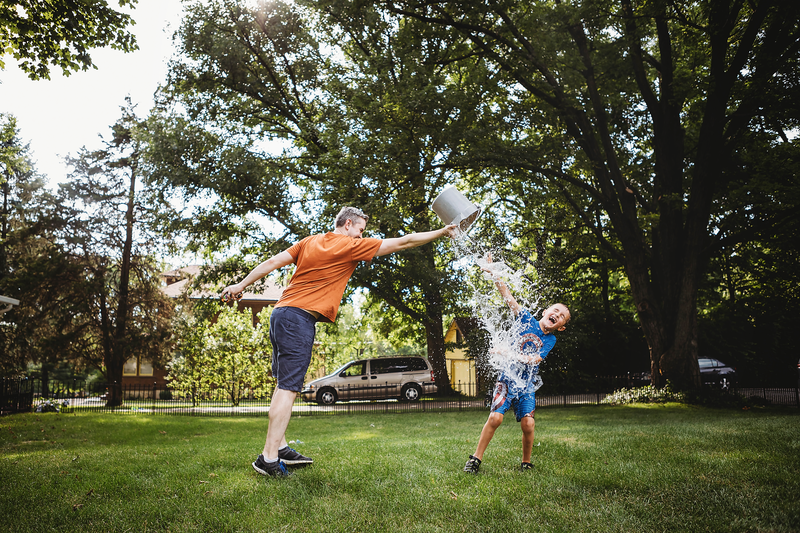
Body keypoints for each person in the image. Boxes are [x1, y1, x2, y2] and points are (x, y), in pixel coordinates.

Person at [222, 206, 457, 478]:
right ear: (347, 224)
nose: (361, 236)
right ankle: (268, 457)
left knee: (282, 386)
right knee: (288, 389)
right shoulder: (349, 245)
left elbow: (271, 263)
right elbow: (403, 242)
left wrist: (241, 285)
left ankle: (281, 445)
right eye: (360, 230)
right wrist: (442, 231)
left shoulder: (309, 241)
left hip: (281, 313)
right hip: (298, 319)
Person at [464, 254, 570, 474]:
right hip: (507, 379)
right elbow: (507, 295)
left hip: (526, 385)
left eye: (561, 317)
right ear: (545, 312)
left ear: (560, 327)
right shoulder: (525, 319)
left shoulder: (550, 339)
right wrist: (494, 272)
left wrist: (510, 353)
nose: (557, 315)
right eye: (555, 311)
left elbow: (536, 359)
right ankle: (475, 459)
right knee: (495, 418)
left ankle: (526, 462)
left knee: (528, 424)